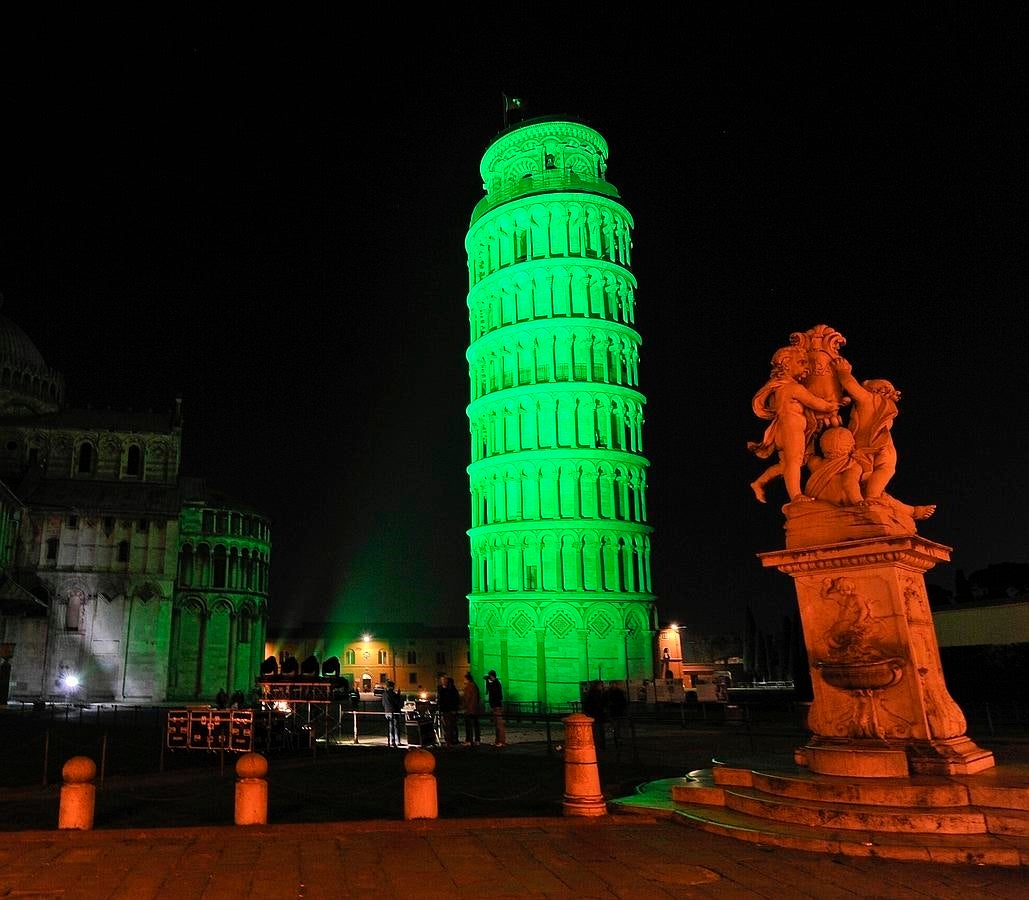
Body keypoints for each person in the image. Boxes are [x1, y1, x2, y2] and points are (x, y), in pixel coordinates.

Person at [748, 345, 845, 504]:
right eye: (801, 362)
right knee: (794, 462)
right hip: (791, 430)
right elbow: (816, 404)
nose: (807, 367)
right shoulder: (793, 387)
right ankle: (796, 496)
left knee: (786, 465)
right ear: (786, 363)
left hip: (784, 430)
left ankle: (759, 482)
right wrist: (833, 405)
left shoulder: (777, 387)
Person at [582, 679, 607, 748]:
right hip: (597, 714)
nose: (602, 686)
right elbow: (598, 704)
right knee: (598, 730)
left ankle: (598, 744)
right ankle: (600, 744)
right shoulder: (597, 694)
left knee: (597, 730)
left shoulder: (591, 693)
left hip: (594, 714)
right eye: (601, 685)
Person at [484, 670, 506, 748]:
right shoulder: (495, 683)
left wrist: (488, 682)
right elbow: (489, 690)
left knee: (499, 725)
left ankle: (501, 741)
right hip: (494, 706)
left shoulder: (496, 683)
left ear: (492, 676)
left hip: (497, 706)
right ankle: (498, 741)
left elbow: (492, 691)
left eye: (490, 676)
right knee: (497, 725)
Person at [437, 675, 461, 746]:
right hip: (447, 710)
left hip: (448, 710)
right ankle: (451, 740)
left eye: (443, 680)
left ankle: (449, 741)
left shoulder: (449, 690)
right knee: (449, 726)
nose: (442, 682)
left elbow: (452, 700)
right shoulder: (445, 690)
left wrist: (453, 709)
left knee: (449, 727)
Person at [461, 671, 482, 746]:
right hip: (475, 709)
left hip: (469, 710)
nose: (463, 680)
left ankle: (468, 740)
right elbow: (478, 698)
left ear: (467, 679)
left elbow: (467, 699)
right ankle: (477, 740)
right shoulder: (475, 686)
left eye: (464, 679)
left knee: (468, 726)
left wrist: (463, 707)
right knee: (476, 725)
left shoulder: (468, 687)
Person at [382, 681, 403, 747]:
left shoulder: (384, 694)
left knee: (390, 727)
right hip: (393, 712)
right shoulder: (392, 693)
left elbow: (383, 703)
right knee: (395, 727)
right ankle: (397, 741)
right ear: (392, 686)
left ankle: (391, 741)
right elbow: (396, 702)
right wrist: (398, 695)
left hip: (387, 712)